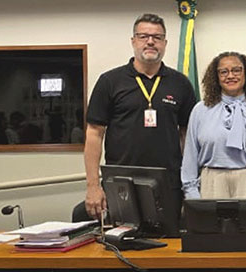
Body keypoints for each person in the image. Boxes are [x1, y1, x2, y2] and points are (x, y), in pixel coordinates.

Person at [84, 13, 197, 219]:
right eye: (144, 36)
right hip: (121, 182)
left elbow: (187, 135)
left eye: (157, 37)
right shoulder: (110, 81)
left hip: (168, 183)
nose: (151, 42)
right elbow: (94, 134)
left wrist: (190, 183)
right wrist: (93, 186)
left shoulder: (180, 83)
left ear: (165, 43)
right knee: (121, 243)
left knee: (167, 246)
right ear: (133, 41)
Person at [181, 51, 246, 200]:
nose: (230, 76)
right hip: (211, 181)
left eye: (236, 70)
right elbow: (191, 153)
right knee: (211, 224)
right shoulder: (201, 110)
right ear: (216, 77)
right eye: (223, 72)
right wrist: (192, 192)